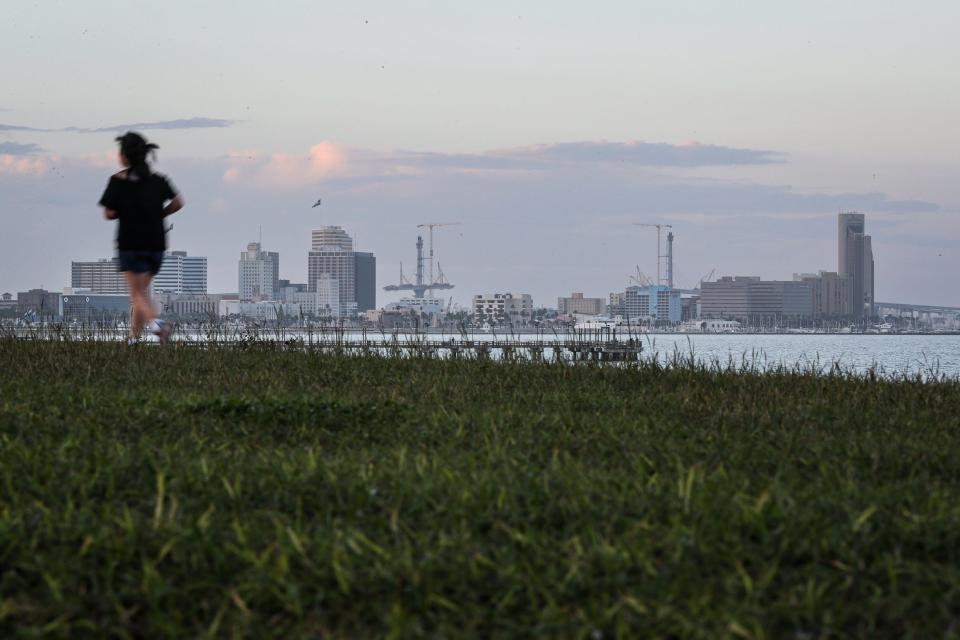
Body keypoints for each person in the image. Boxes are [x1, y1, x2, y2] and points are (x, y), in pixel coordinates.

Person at [98, 132, 184, 345]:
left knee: (136, 293)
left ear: (124, 157)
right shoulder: (158, 181)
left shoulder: (118, 181)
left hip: (130, 243)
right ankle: (133, 338)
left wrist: (124, 211)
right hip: (156, 244)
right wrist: (161, 214)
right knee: (140, 294)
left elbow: (108, 213)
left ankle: (158, 326)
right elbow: (178, 202)